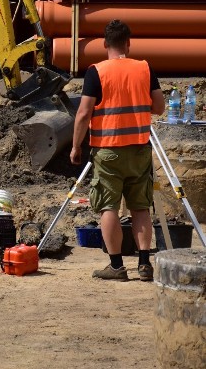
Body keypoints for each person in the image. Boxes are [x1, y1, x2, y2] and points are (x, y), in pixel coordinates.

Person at [70, 20, 164, 282]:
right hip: (139, 150)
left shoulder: (96, 72)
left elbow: (84, 113)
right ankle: (145, 264)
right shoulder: (144, 69)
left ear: (104, 44)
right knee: (141, 207)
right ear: (128, 43)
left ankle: (116, 266)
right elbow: (158, 107)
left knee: (108, 207)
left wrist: (77, 146)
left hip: (108, 151)